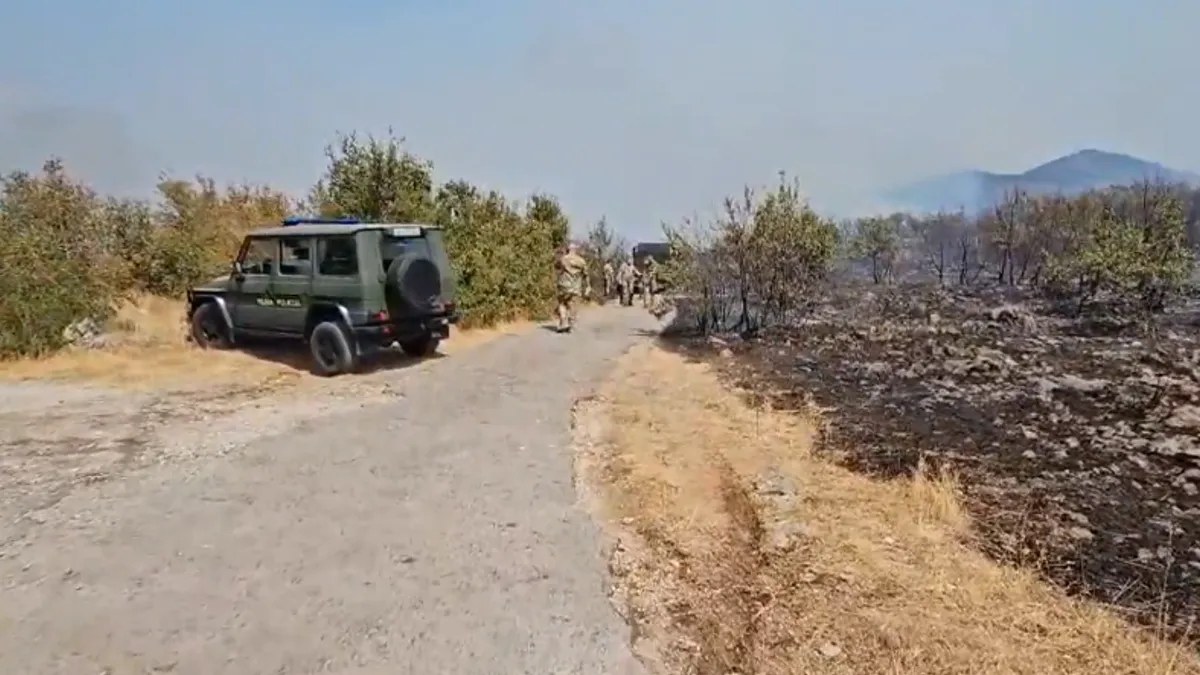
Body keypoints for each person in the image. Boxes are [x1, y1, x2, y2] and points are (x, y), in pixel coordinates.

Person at [554, 242, 588, 332]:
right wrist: (588, 286)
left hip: (563, 285)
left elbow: (556, 267)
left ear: (567, 250)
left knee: (562, 303)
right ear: (575, 250)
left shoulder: (563, 259)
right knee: (573, 305)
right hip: (576, 287)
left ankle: (563, 321)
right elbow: (585, 275)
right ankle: (571, 325)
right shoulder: (581, 261)